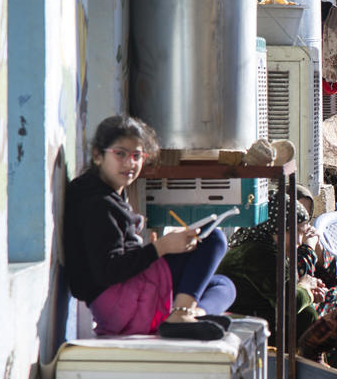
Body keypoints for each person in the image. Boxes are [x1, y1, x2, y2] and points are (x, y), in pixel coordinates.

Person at [63, 114, 235, 340]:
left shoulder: (100, 192)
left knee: (223, 285)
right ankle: (181, 315)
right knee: (213, 239)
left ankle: (193, 315)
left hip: (116, 307)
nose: (130, 163)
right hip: (122, 301)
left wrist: (151, 249)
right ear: (98, 155)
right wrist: (160, 248)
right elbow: (108, 271)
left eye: (137, 156)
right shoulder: (98, 203)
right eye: (120, 154)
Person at [217, 190, 319, 343]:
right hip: (240, 328)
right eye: (295, 231)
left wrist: (308, 291)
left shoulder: (266, 247)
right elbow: (290, 302)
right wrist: (306, 287)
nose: (299, 242)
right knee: (306, 315)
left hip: (252, 316)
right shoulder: (260, 252)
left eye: (302, 233)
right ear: (276, 227)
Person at [295, 187, 337, 316]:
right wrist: (308, 248)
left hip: (315, 289)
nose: (301, 219)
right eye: (297, 213)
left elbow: (331, 272)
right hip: (299, 297)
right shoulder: (282, 238)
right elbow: (303, 276)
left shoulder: (307, 233)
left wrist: (318, 250)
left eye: (305, 215)